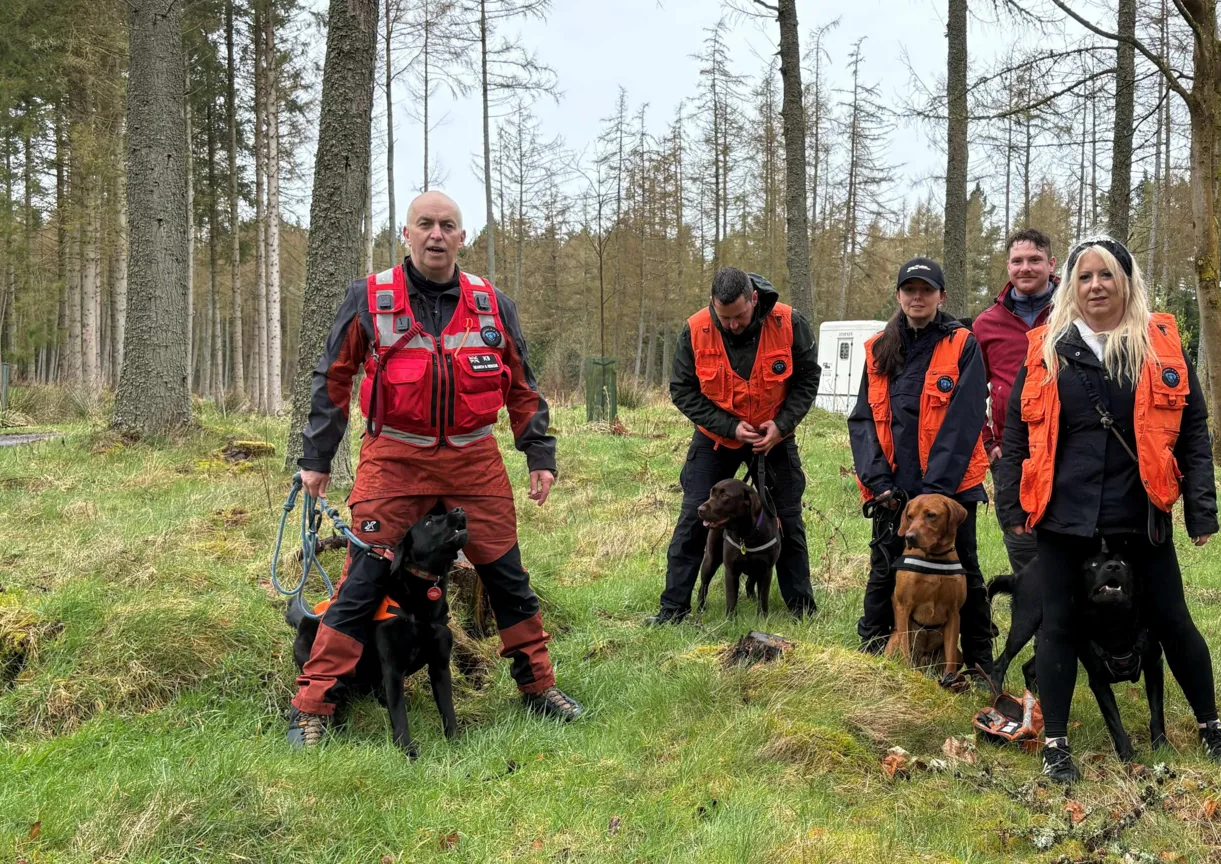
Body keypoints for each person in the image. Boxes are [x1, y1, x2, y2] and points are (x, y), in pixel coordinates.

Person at [287, 191, 583, 747]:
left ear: (462, 237)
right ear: (406, 233)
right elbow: (332, 377)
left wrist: (538, 453)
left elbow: (522, 385)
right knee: (362, 581)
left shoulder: (491, 303)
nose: (436, 235)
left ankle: (538, 687)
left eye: (448, 225)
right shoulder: (369, 297)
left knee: (507, 577)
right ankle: (313, 705)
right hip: (394, 458)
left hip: (474, 459)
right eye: (425, 224)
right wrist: (316, 459)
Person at [992, 236, 1221, 782]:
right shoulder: (1047, 348)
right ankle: (1056, 742)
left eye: (1107, 276)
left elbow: (1193, 431)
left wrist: (1201, 510)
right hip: (1063, 515)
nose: (1096, 286)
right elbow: (1015, 435)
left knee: (1174, 622)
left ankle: (1211, 725)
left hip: (1141, 511)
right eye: (1084, 277)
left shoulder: (1159, 346)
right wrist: (1011, 504)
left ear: (1127, 282)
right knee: (1057, 626)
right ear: (1071, 288)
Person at [647, 267, 821, 624]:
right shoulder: (696, 328)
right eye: (724, 317)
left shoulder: (789, 322)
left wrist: (782, 425)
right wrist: (728, 426)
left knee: (786, 517)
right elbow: (682, 390)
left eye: (739, 316)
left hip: (774, 437)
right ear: (713, 305)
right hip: (716, 439)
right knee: (694, 517)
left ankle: (802, 610)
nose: (733, 325)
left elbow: (807, 379)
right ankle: (672, 610)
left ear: (754, 299)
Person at [849, 257, 995, 679]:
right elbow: (863, 420)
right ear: (898, 296)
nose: (917, 297)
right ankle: (873, 653)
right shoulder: (879, 348)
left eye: (926, 290)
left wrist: (935, 490)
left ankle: (979, 662)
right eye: (909, 289)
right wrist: (878, 482)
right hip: (893, 486)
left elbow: (965, 419)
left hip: (949, 489)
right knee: (885, 568)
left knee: (964, 569)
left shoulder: (962, 344)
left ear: (941, 296)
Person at [972, 228, 1059, 578]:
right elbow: (971, 393)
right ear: (1007, 266)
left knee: (1063, 533)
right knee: (1020, 536)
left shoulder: (1072, 314)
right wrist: (989, 444)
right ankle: (1035, 611)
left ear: (1051, 264)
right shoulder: (986, 324)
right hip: (1010, 451)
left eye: (1035, 260)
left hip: (1063, 444)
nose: (1026, 268)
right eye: (1018, 261)